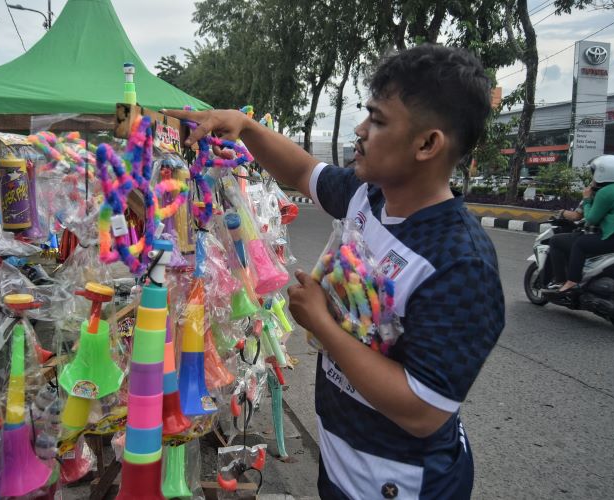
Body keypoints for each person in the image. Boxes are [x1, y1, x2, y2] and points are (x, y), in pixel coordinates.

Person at [164, 44, 504, 499]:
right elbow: (304, 170)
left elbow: (423, 410)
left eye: (378, 121)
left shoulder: (461, 263)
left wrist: (322, 323)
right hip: (340, 456)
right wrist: (244, 127)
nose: (360, 131)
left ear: (427, 144)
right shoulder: (370, 195)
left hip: (398, 482)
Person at [546, 155, 614, 294]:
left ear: (601, 173)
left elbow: (591, 219)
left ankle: (571, 281)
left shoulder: (603, 192)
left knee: (579, 244)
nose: (592, 177)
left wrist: (586, 199)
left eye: (593, 173)